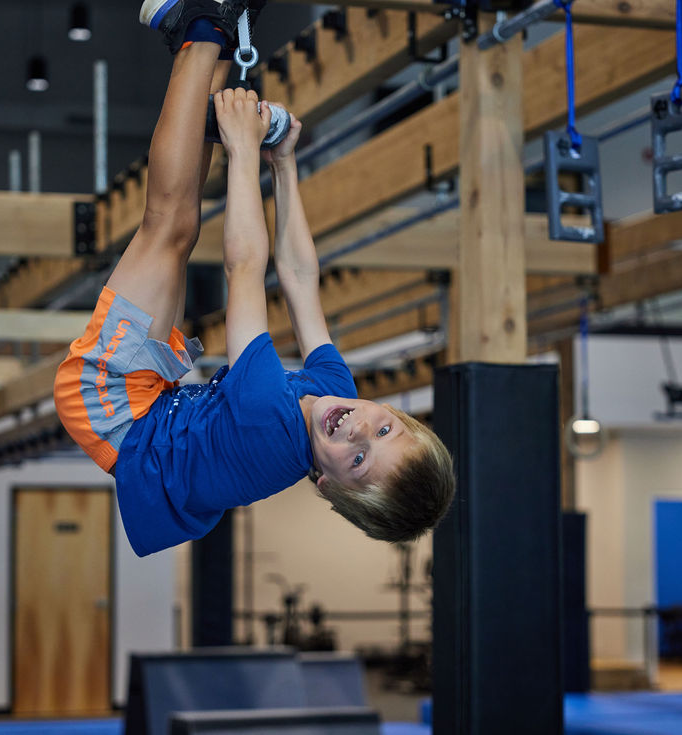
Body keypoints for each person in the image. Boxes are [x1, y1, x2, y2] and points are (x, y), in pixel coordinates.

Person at [54, 0, 454, 557]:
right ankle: (193, 36)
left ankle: (203, 28)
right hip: (158, 408)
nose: (357, 430)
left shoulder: (271, 429)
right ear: (401, 416)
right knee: (178, 227)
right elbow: (298, 276)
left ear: (330, 487)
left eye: (358, 460)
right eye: (384, 431)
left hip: (112, 411)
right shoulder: (334, 394)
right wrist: (284, 165)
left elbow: (245, 269)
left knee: (170, 228)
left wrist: (244, 151)